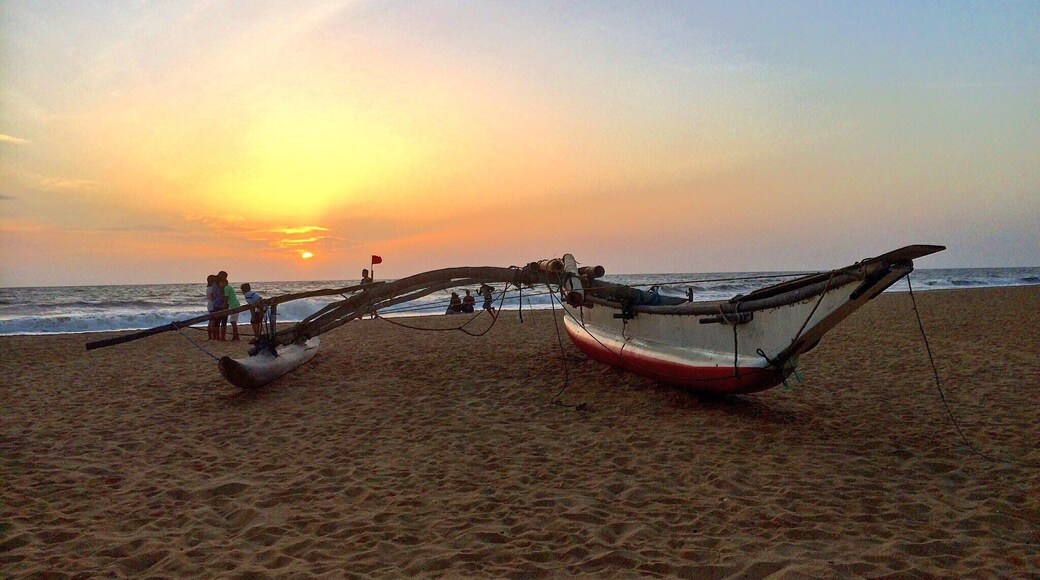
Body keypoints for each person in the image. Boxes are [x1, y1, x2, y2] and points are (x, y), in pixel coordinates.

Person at [218, 271, 240, 341]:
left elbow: (226, 298)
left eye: (220, 284)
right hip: (235, 304)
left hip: (234, 305)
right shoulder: (229, 287)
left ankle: (236, 335)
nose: (220, 285)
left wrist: (223, 306)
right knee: (233, 321)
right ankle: (235, 335)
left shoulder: (226, 288)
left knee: (233, 321)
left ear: (224, 283)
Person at [206, 274, 220, 340]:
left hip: (209, 305)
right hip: (212, 305)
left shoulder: (208, 288)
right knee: (213, 321)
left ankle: (210, 336)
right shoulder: (211, 289)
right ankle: (212, 336)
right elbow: (213, 297)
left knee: (211, 320)